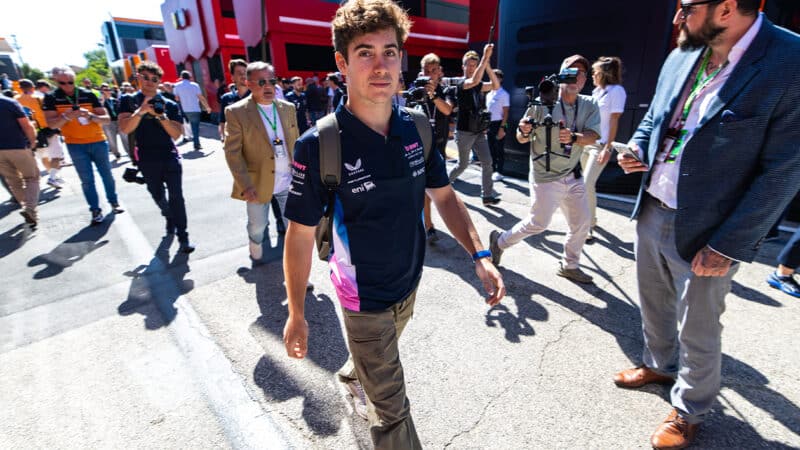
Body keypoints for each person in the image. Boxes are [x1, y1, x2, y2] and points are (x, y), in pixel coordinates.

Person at [281, 0, 505, 447]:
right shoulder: (320, 144)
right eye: (365, 52)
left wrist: (480, 255)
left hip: (408, 284)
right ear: (342, 62)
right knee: (393, 411)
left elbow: (444, 197)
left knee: (375, 363)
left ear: (402, 58)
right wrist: (296, 312)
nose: (380, 65)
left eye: (390, 51)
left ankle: (354, 373)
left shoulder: (418, 128)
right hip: (362, 301)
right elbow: (300, 234)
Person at [614, 2, 800, 448]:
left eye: (686, 7)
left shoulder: (789, 61)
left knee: (699, 325)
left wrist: (730, 245)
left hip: (712, 228)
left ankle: (690, 409)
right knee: (653, 301)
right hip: (654, 204)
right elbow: (658, 119)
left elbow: (784, 169)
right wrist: (638, 147)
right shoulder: (684, 52)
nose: (676, 17)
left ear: (728, 8)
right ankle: (660, 364)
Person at [489, 54, 600, 284]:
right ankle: (499, 241)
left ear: (585, 80)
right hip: (545, 175)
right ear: (560, 74)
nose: (575, 76)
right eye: (570, 70)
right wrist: (523, 130)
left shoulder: (589, 104)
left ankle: (569, 265)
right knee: (538, 223)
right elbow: (521, 137)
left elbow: (593, 136)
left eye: (580, 73)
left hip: (573, 174)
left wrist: (574, 137)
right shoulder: (542, 102)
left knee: (582, 223)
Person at [223, 61, 298, 263]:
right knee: (258, 226)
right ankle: (254, 243)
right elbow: (232, 153)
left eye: (272, 81)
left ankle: (297, 273)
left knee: (294, 228)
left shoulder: (288, 108)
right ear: (248, 84)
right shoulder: (236, 111)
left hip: (288, 181)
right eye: (261, 82)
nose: (268, 86)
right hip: (257, 183)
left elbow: (295, 143)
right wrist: (245, 185)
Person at [118, 61, 195, 254]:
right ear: (138, 78)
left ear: (159, 81)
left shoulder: (168, 103)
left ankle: (183, 236)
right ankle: (169, 217)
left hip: (169, 155)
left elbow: (176, 134)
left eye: (154, 79)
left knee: (177, 196)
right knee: (157, 194)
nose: (150, 82)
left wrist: (160, 116)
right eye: (145, 77)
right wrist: (142, 111)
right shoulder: (129, 101)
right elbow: (125, 128)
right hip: (145, 157)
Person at [43, 66, 123, 225]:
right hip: (75, 144)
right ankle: (95, 210)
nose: (67, 86)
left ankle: (113, 202)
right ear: (56, 82)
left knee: (107, 174)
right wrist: (67, 116)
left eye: (70, 82)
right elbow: (51, 125)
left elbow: (106, 119)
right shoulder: (51, 98)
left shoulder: (88, 94)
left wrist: (91, 115)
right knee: (87, 180)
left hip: (98, 141)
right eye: (62, 83)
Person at [581, 56, 627, 241]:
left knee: (586, 184)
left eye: (595, 72)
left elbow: (614, 120)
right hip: (586, 142)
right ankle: (590, 219)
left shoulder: (616, 91)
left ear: (604, 73)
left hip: (599, 146)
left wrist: (608, 148)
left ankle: (589, 225)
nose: (593, 75)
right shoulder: (596, 91)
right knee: (583, 186)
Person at [448, 47, 501, 206]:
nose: (471, 68)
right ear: (463, 67)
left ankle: (487, 196)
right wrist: (484, 57)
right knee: (462, 165)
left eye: (474, 66)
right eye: (469, 65)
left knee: (487, 162)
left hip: (478, 131)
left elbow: (496, 86)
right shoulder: (462, 84)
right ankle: (444, 183)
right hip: (464, 132)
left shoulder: (478, 85)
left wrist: (488, 66)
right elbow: (475, 81)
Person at [415, 52, 455, 242]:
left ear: (439, 72)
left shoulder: (446, 90)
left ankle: (427, 222)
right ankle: (428, 226)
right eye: (426, 70)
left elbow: (447, 110)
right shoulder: (417, 89)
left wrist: (432, 96)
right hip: (418, 146)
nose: (430, 74)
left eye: (433, 70)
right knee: (421, 189)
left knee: (435, 189)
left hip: (438, 147)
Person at [15, 78, 66, 189]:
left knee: (43, 156)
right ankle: (52, 177)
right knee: (56, 155)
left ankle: (54, 176)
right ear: (33, 87)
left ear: (20, 88)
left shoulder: (15, 100)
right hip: (47, 129)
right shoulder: (40, 98)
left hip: (30, 132)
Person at [0, 95, 39, 227]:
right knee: (32, 178)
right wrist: (33, 142)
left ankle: (27, 207)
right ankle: (30, 209)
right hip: (18, 147)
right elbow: (26, 125)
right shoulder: (10, 102)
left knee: (13, 181)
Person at [173, 70, 210, 151]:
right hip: (195, 108)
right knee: (195, 127)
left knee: (188, 125)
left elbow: (177, 98)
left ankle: (190, 138)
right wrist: (207, 107)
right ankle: (196, 144)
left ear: (181, 77)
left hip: (185, 109)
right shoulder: (195, 85)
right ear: (190, 77)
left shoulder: (176, 86)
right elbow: (200, 97)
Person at [486, 68, 510, 181]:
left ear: (500, 79)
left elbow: (506, 113)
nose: (493, 79)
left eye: (495, 77)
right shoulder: (489, 94)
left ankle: (499, 171)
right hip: (489, 124)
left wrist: (502, 128)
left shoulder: (504, 94)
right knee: (491, 149)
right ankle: (492, 170)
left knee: (499, 149)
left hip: (500, 123)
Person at [217, 59, 249, 142]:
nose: (243, 75)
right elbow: (222, 121)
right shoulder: (226, 98)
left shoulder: (256, 95)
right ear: (232, 78)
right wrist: (223, 138)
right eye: (239, 73)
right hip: (236, 142)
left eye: (245, 72)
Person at [99, 83, 129, 161]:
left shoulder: (115, 100)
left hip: (118, 120)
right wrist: (102, 99)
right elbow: (100, 110)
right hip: (109, 122)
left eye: (108, 89)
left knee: (125, 137)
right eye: (105, 90)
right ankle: (116, 153)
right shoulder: (100, 101)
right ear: (101, 91)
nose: (108, 91)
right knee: (111, 139)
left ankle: (130, 153)